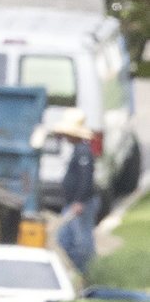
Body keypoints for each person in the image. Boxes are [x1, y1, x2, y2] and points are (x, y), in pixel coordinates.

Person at [52, 107, 98, 274]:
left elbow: (86, 179)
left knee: (82, 243)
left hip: (79, 204)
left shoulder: (83, 151)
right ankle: (76, 270)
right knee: (64, 239)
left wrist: (79, 201)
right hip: (72, 202)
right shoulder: (77, 149)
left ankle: (87, 272)